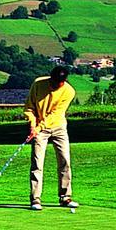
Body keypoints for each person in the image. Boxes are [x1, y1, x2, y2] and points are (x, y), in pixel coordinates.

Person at [23, 65, 78, 211]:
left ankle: (65, 197)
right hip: (39, 129)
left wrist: (39, 127)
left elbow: (55, 114)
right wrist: (32, 126)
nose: (55, 86)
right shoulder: (38, 84)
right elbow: (29, 108)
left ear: (64, 81)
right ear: (50, 78)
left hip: (58, 127)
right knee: (37, 163)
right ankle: (35, 199)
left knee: (64, 160)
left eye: (58, 83)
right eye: (53, 82)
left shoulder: (69, 91)